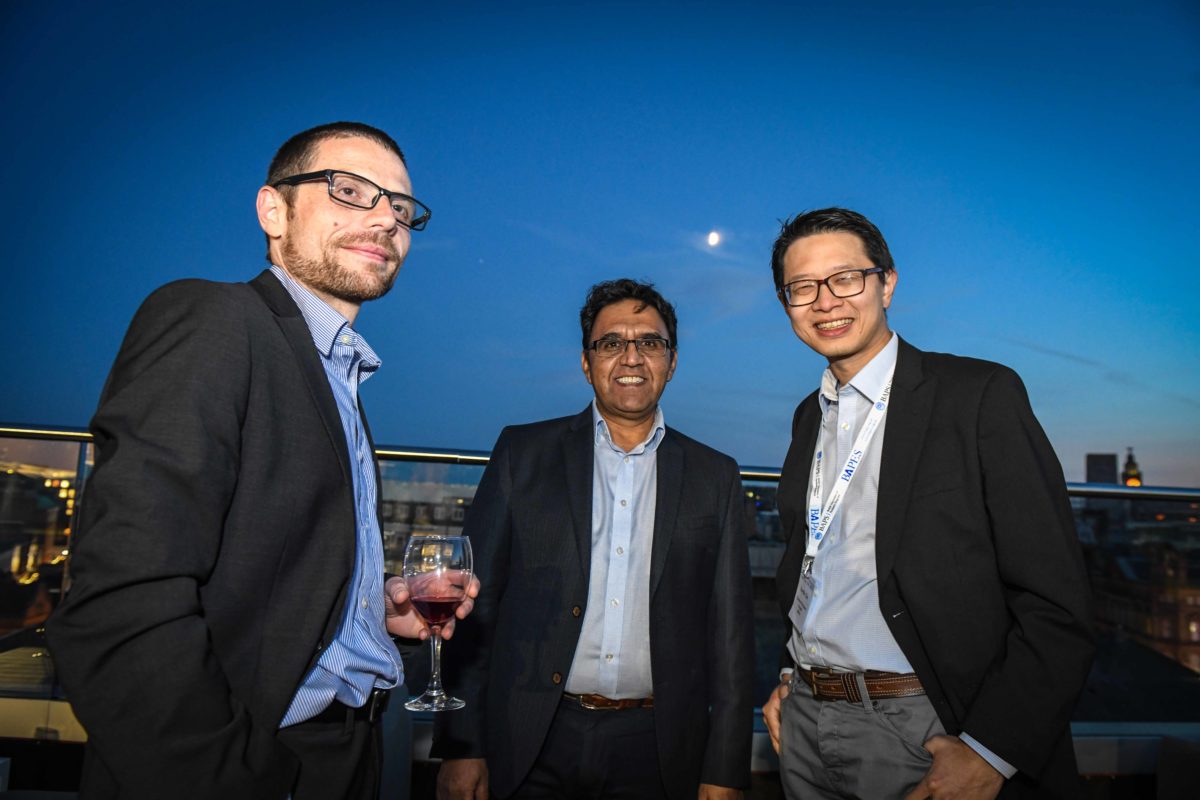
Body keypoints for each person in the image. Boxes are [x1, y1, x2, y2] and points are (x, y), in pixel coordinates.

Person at [46, 121, 477, 800]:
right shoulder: (215, 321)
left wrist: (371, 613)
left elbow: (266, 564)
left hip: (351, 752)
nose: (384, 219)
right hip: (251, 761)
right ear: (274, 211)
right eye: (350, 190)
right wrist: (228, 777)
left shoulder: (336, 377)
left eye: (400, 206)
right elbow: (121, 600)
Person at [761, 208, 1094, 799]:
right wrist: (792, 672)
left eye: (845, 278)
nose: (826, 301)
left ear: (887, 283)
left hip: (924, 723)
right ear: (787, 304)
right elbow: (810, 563)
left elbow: (1057, 600)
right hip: (805, 719)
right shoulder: (808, 417)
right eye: (803, 287)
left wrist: (992, 751)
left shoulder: (978, 395)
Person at [433, 279, 754, 800]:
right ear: (586, 363)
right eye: (611, 343)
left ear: (672, 361)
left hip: (657, 748)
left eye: (650, 342)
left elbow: (732, 637)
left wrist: (725, 770)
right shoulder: (522, 454)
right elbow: (475, 607)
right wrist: (462, 745)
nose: (631, 356)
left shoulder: (715, 476)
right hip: (529, 737)